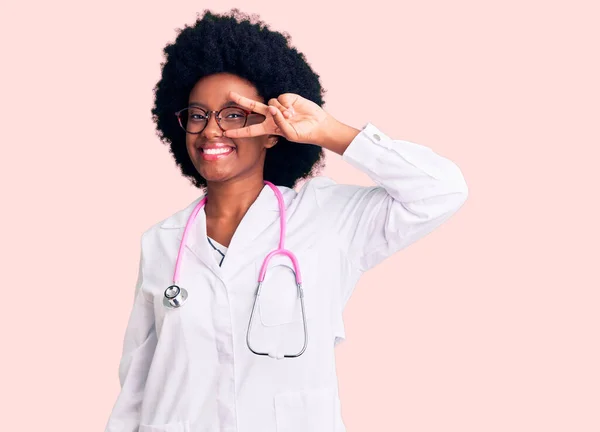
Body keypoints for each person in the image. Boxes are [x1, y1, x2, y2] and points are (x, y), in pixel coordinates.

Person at [104, 8, 469, 432]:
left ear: (273, 130)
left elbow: (442, 190)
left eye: (234, 114)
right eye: (198, 114)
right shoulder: (161, 241)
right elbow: (137, 382)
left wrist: (328, 130)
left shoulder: (328, 219)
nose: (211, 130)